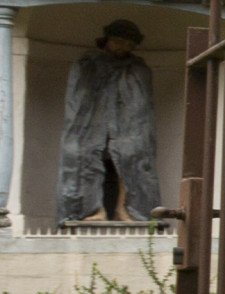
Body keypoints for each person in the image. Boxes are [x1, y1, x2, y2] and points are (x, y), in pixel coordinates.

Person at [57, 21, 161, 222]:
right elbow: (78, 98)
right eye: (119, 42)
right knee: (82, 154)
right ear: (107, 40)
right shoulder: (87, 64)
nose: (123, 48)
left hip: (126, 125)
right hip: (91, 123)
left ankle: (125, 209)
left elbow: (140, 104)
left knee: (132, 155)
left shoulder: (137, 68)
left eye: (129, 45)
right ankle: (93, 209)